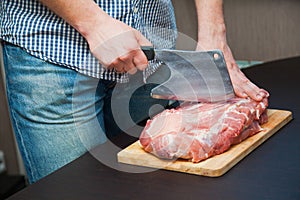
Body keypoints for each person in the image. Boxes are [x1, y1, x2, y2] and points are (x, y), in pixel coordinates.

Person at [0, 0, 268, 183]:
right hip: (52, 49)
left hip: (146, 47)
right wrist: (92, 22)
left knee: (161, 189)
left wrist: (214, 32)